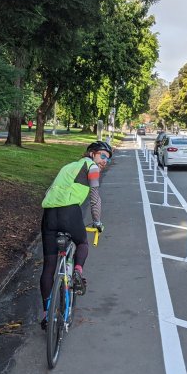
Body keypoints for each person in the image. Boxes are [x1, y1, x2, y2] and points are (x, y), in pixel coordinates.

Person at [39, 140, 112, 328]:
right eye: (103, 156)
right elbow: (95, 198)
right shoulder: (91, 167)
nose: (105, 161)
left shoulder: (68, 167)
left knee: (49, 265)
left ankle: (47, 314)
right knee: (82, 244)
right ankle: (77, 272)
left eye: (108, 159)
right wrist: (97, 222)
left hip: (48, 215)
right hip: (69, 213)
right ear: (92, 154)